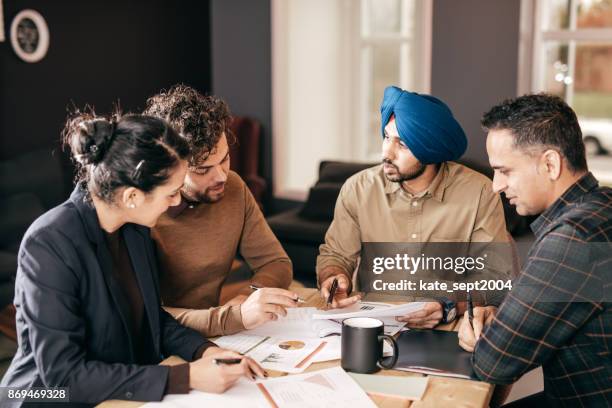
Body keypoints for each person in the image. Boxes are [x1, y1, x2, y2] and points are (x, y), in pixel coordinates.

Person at [0, 111, 263, 406]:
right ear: (132, 197)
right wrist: (185, 377)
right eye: (172, 193)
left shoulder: (134, 229)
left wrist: (204, 350)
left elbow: (151, 318)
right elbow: (63, 377)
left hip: (121, 394)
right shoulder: (48, 245)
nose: (178, 202)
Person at [458, 94, 611, 407]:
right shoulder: (602, 204)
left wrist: (478, 337)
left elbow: (494, 362)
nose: (496, 186)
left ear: (550, 164)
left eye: (505, 171)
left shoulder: (572, 239)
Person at [317, 86, 512, 329]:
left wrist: (448, 307)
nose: (386, 153)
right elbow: (336, 255)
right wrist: (334, 276)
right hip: (372, 323)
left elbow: (493, 278)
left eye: (403, 144)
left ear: (430, 150)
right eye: (386, 137)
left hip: (444, 327)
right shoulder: (358, 188)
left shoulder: (480, 192)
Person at [144, 85, 296, 337]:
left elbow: (276, 263)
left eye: (224, 158)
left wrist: (247, 297)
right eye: (203, 170)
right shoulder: (145, 212)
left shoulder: (234, 187)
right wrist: (230, 318)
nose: (221, 176)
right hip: (161, 344)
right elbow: (147, 316)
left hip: (216, 332)